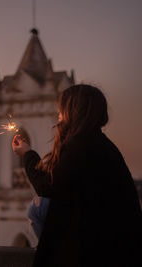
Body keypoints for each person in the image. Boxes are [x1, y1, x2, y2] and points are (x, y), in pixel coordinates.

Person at [12, 84, 142, 267]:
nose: (58, 112)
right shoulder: (99, 143)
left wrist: (27, 154)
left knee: (39, 207)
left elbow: (47, 186)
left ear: (74, 110)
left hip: (106, 246)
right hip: (117, 241)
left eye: (62, 107)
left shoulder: (82, 146)